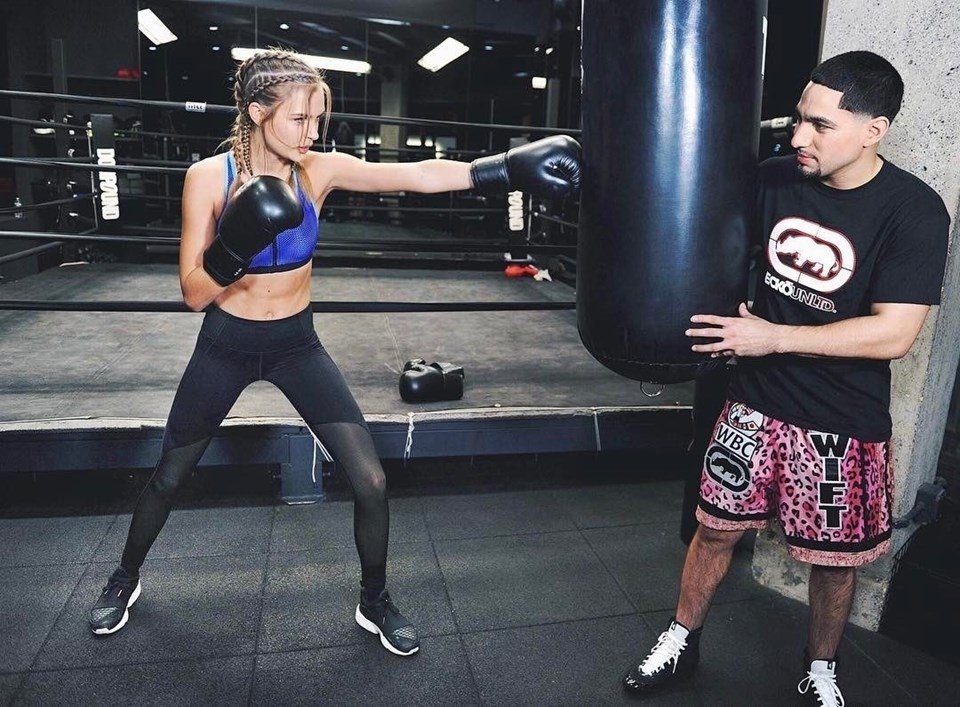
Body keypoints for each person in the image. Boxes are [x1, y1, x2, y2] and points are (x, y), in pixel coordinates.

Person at [88, 49, 581, 656]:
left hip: (296, 344)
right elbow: (193, 294)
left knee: (371, 480)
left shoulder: (316, 171)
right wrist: (234, 244)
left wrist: (502, 168)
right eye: (300, 119)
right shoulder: (208, 178)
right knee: (169, 475)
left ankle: (374, 600)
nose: (312, 132)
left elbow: (416, 175)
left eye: (318, 119)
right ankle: (124, 577)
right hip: (226, 344)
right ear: (257, 112)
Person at [622, 51, 949, 704]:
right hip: (753, 402)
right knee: (714, 528)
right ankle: (682, 637)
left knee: (834, 563)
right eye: (800, 119)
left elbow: (894, 333)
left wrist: (773, 336)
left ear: (873, 131)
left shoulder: (913, 211)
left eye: (820, 125)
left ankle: (821, 666)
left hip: (842, 421)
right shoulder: (774, 180)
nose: (800, 136)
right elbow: (693, 223)